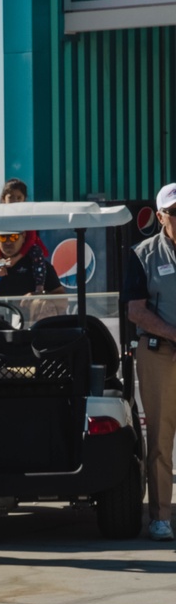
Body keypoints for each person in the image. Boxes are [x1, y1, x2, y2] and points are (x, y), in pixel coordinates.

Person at [122, 182, 176, 541]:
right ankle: (160, 516)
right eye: (174, 212)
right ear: (160, 216)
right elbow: (135, 311)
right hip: (159, 353)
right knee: (160, 438)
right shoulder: (143, 254)